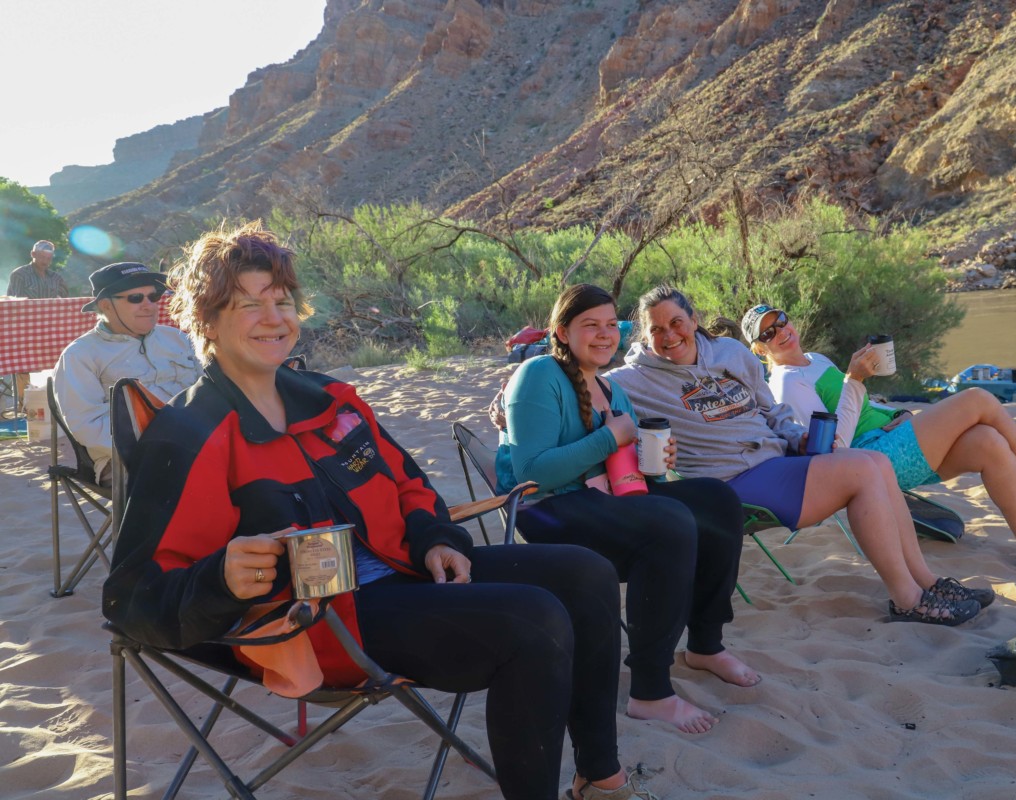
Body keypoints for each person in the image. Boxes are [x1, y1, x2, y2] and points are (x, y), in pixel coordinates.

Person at [102, 222, 655, 800]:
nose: (274, 317)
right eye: (248, 304)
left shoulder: (332, 401)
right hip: (321, 623)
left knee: (584, 573)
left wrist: (437, 540)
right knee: (533, 618)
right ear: (207, 322)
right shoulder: (191, 435)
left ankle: (601, 778)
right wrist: (220, 578)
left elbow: (412, 487)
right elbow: (131, 597)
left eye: (282, 300)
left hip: (405, 571)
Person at [605, 286, 993, 628]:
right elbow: (585, 387)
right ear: (646, 336)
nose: (669, 335)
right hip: (727, 484)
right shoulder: (635, 379)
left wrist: (796, 437)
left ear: (693, 319)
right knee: (861, 466)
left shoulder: (729, 352)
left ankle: (925, 582)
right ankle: (908, 600)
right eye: (657, 329)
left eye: (676, 322)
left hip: (778, 462)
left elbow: (771, 410)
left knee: (876, 463)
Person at [497, 284, 759, 736]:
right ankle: (650, 692)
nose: (603, 335)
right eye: (589, 325)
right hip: (549, 510)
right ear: (562, 331)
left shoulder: (609, 389)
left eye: (609, 325)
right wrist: (611, 437)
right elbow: (533, 472)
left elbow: (629, 473)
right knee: (668, 525)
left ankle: (705, 645)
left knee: (718, 502)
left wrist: (658, 461)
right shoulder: (539, 374)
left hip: (606, 501)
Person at [743, 303, 1016, 575]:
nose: (780, 331)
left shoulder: (814, 359)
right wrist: (855, 379)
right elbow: (832, 447)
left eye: (780, 320)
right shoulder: (787, 382)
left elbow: (852, 406)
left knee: (989, 441)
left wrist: (885, 407)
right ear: (759, 349)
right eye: (768, 333)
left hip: (891, 434)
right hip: (871, 459)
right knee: (978, 398)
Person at [51, 262, 201, 485]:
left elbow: (208, 391)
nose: (149, 305)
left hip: (200, 444)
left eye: (154, 296)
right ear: (106, 305)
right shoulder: (80, 355)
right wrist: (165, 444)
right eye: (135, 298)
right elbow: (87, 426)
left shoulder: (177, 338)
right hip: (128, 460)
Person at [8, 240, 68, 411]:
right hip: (25, 329)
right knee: (23, 365)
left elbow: (65, 303)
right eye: (42, 256)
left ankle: (55, 403)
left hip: (51, 329)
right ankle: (23, 405)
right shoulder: (20, 274)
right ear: (33, 255)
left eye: (48, 257)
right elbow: (14, 303)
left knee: (59, 362)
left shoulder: (56, 278)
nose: (45, 261)